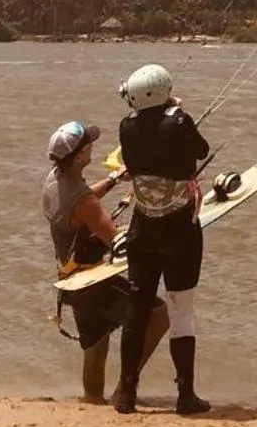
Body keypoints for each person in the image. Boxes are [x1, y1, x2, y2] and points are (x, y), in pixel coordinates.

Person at [42, 120, 169, 405]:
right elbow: (118, 242)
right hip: (94, 283)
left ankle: (92, 400)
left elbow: (81, 199)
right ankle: (124, 387)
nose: (92, 146)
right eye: (88, 145)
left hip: (71, 281)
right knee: (159, 316)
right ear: (78, 157)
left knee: (96, 345)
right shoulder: (84, 203)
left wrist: (113, 179)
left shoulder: (55, 179)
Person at [112, 64, 212, 416]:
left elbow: (146, 141)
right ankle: (185, 394)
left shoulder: (126, 127)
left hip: (143, 229)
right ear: (164, 92)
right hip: (180, 231)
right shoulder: (179, 121)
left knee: (137, 310)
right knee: (181, 309)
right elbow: (201, 149)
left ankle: (126, 393)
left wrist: (170, 112)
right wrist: (178, 112)